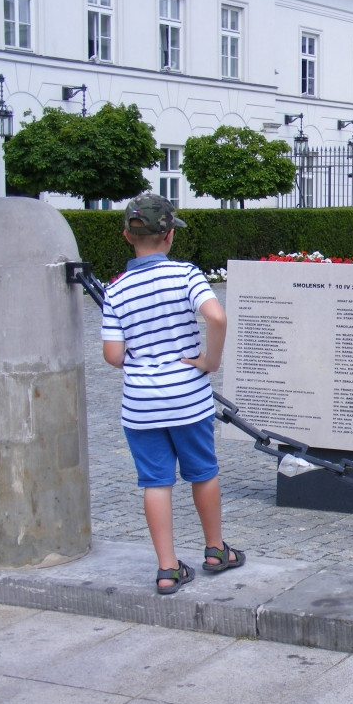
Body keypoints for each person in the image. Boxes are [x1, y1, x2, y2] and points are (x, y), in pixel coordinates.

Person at [102, 193, 244, 594]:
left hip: (141, 405)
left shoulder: (116, 289)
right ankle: (215, 550)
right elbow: (216, 316)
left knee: (155, 482)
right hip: (187, 397)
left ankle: (167, 569)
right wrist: (209, 361)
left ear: (127, 236)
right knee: (203, 472)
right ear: (169, 236)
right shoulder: (186, 275)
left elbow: (113, 355)